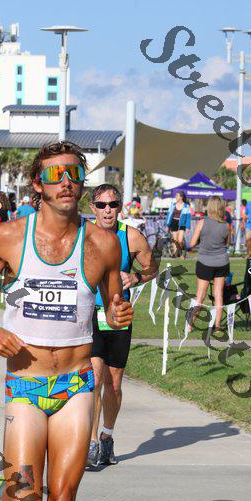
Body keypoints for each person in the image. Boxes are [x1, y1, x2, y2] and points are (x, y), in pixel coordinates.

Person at [0, 141, 133, 501]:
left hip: (77, 384)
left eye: (74, 173)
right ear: (38, 184)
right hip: (26, 384)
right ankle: (1, 500)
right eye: (55, 175)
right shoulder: (10, 237)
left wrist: (117, 314)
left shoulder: (104, 244)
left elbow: (113, 304)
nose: (66, 183)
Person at [86, 184, 159, 468]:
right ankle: (91, 442)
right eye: (101, 205)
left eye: (113, 204)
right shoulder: (82, 235)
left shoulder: (131, 237)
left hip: (119, 315)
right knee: (94, 379)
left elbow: (152, 267)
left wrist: (136, 278)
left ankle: (107, 436)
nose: (108, 210)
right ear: (92, 208)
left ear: (119, 207)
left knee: (113, 384)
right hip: (90, 314)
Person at [189, 196, 231, 332]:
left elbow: (192, 243)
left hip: (205, 262)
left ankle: (190, 325)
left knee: (200, 295)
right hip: (222, 262)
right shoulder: (226, 225)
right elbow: (227, 244)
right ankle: (217, 326)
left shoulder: (202, 222)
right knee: (218, 294)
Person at [165, 191, 191, 258]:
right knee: (175, 240)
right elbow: (168, 215)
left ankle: (181, 253)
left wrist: (188, 227)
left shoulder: (186, 206)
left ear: (181, 197)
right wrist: (167, 225)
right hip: (174, 223)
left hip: (182, 224)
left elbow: (188, 218)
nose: (175, 197)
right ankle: (176, 255)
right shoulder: (173, 205)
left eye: (177, 195)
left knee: (180, 241)